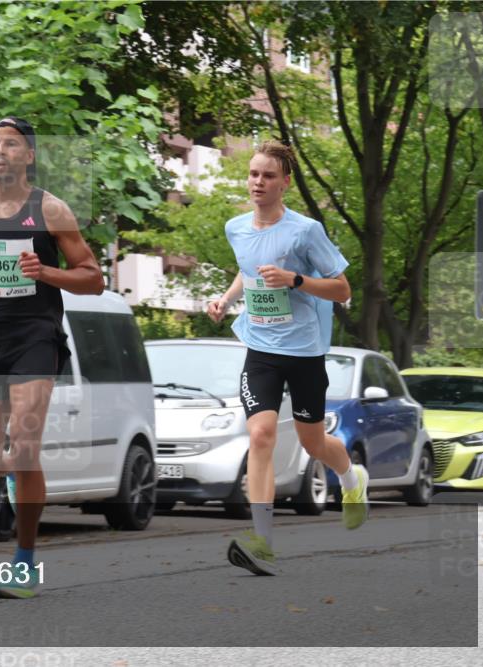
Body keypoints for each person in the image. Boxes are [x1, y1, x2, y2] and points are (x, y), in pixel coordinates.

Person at [0, 116, 104, 598]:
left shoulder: (51, 210)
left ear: (29, 155)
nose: (0, 151)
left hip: (35, 336)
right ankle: (16, 478)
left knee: (25, 446)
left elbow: (94, 278)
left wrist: (45, 273)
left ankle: (25, 562)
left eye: (11, 144)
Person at [207, 140, 369, 576]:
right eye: (254, 174)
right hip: (260, 348)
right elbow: (248, 267)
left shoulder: (306, 231)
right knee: (260, 435)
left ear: (286, 183)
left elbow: (343, 290)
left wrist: (296, 280)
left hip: (304, 351)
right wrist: (224, 300)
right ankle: (262, 542)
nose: (258, 182)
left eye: (269, 176)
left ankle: (352, 478)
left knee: (313, 442)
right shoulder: (236, 227)